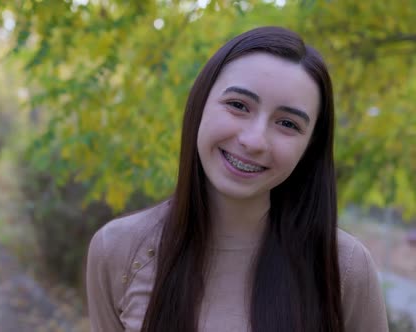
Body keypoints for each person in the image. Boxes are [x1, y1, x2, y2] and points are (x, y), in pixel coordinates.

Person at [85, 26, 388, 332]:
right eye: (239, 105)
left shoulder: (344, 267)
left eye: (287, 123)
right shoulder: (117, 250)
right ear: (200, 104)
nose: (254, 140)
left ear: (309, 147)